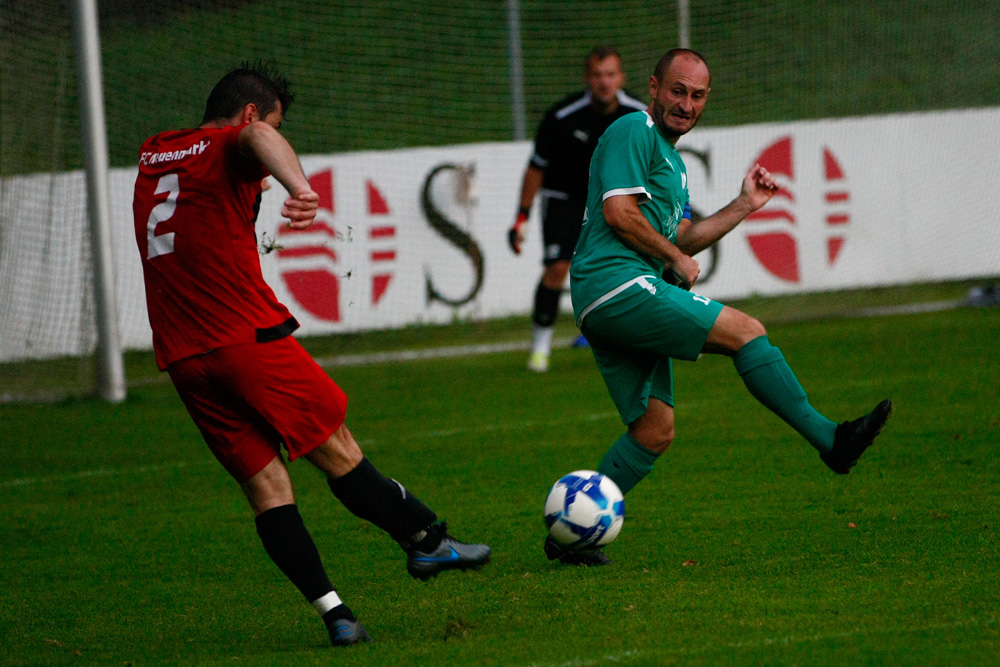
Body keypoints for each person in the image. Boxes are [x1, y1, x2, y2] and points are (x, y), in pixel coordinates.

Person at [132, 63, 490, 647]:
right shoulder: (235, 139)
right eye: (274, 122)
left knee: (267, 489)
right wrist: (302, 187)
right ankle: (427, 542)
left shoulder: (155, 154)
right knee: (338, 449)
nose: (265, 182)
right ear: (250, 114)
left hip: (183, 358)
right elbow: (254, 139)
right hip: (243, 339)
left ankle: (336, 614)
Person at [551, 48, 893, 566]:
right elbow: (619, 214)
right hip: (614, 286)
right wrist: (671, 257)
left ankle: (569, 540)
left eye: (697, 95)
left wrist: (743, 205)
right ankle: (832, 441)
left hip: (619, 295)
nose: (686, 104)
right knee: (745, 330)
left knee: (654, 430)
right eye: (677, 90)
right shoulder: (632, 129)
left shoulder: (674, 164)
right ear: (653, 87)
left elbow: (681, 237)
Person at [508, 46, 647, 373]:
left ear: (621, 78)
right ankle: (541, 347)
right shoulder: (561, 116)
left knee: (637, 265)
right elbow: (536, 168)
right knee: (557, 268)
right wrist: (522, 215)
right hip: (564, 198)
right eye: (597, 75)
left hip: (614, 199)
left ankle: (643, 338)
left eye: (610, 74)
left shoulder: (640, 115)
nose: (604, 82)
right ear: (587, 78)